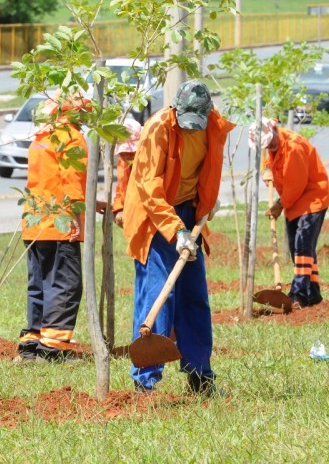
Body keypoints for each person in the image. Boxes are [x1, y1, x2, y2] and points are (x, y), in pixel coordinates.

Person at [122, 80, 234, 396]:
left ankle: (200, 376)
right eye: (187, 123)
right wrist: (175, 231)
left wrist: (206, 204)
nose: (192, 130)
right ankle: (144, 382)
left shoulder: (213, 126)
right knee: (158, 291)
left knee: (193, 295)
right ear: (175, 109)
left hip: (188, 211)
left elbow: (207, 170)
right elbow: (149, 186)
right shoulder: (157, 128)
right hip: (154, 214)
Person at [18, 90, 104, 362]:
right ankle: (54, 348)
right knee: (65, 284)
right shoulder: (71, 136)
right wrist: (77, 221)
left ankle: (32, 344)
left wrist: (93, 203)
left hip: (35, 223)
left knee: (40, 284)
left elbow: (48, 182)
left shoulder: (41, 138)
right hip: (60, 224)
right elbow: (73, 182)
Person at [249, 117, 329, 309]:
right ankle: (313, 294)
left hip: (312, 198)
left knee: (302, 246)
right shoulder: (276, 145)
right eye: (266, 145)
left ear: (275, 130)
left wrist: (279, 205)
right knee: (302, 250)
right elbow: (273, 159)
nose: (270, 146)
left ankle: (298, 295)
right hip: (295, 202)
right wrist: (268, 169)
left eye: (271, 142)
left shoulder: (293, 146)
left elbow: (296, 185)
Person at [111, 117, 142, 227]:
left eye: (130, 152)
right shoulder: (123, 162)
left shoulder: (148, 163)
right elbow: (121, 189)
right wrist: (119, 208)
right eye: (123, 152)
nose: (126, 155)